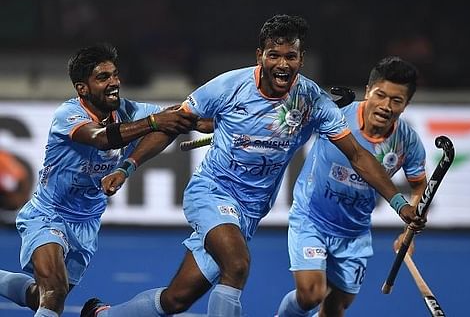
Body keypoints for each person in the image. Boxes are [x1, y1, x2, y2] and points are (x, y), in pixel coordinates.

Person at [81, 16, 425, 317]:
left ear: (301, 59)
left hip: (250, 210)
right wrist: (128, 166)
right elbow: (174, 123)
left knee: (177, 298)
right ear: (259, 56)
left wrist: (398, 203)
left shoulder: (312, 101)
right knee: (237, 264)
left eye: (291, 56)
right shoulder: (228, 86)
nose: (283, 63)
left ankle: (102, 315)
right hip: (212, 192)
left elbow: (359, 155)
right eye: (274, 55)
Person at [0, 43, 199, 317]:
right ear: (82, 88)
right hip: (48, 214)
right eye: (103, 77)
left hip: (87, 222)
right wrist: (155, 121)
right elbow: (102, 138)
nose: (114, 83)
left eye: (115, 75)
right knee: (54, 294)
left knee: (41, 297)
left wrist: (230, 124)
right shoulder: (68, 115)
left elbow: (185, 118)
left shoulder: (128, 111)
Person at [276, 56, 427, 317]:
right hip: (311, 219)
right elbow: (288, 119)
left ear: (406, 104)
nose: (385, 106)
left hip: (354, 233)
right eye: (380, 95)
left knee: (336, 308)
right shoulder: (336, 116)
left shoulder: (408, 142)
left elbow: (418, 187)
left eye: (396, 100)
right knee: (311, 294)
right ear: (368, 90)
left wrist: (407, 233)